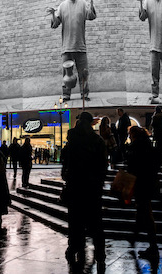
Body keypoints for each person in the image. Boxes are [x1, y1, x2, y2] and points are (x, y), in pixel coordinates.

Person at [61, 111, 107, 268]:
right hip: (93, 188)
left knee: (75, 222)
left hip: (75, 187)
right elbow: (103, 166)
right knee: (96, 223)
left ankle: (74, 248)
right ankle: (100, 253)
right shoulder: (97, 140)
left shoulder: (72, 140)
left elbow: (65, 163)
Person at [47, 0, 98, 101]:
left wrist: (91, 2)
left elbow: (91, 16)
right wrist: (53, 14)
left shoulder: (83, 3)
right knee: (66, 73)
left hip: (80, 46)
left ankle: (84, 94)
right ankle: (66, 95)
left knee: (83, 72)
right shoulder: (62, 6)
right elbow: (54, 25)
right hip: (67, 47)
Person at [126, 126, 160, 259]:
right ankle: (137, 238)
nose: (129, 136)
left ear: (133, 134)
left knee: (145, 213)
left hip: (140, 184)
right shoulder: (148, 145)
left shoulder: (135, 147)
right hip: (149, 183)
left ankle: (152, 246)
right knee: (144, 212)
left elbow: (132, 166)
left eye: (130, 134)